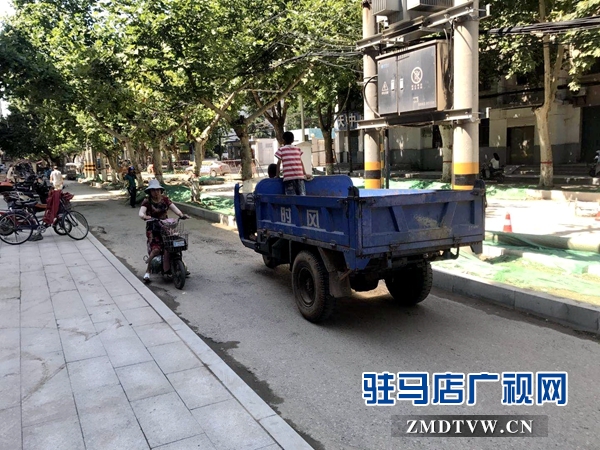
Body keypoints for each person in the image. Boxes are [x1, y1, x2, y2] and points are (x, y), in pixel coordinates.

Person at [138, 179, 188, 283]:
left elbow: (174, 208)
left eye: (157, 190)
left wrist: (181, 215)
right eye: (153, 190)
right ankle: (148, 271)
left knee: (174, 244)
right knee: (156, 250)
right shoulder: (147, 201)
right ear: (150, 191)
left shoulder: (165, 199)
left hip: (165, 226)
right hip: (153, 228)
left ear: (161, 190)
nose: (156, 192)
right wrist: (144, 216)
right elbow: (141, 212)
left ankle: (179, 266)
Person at [275, 131, 312, 195]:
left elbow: (278, 163)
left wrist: (277, 175)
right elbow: (301, 162)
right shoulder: (297, 149)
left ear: (283, 140)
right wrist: (305, 174)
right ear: (293, 140)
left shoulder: (281, 150)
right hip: (300, 177)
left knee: (291, 199)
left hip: (289, 178)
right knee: (302, 196)